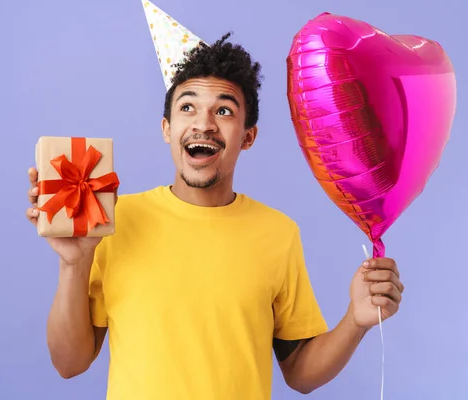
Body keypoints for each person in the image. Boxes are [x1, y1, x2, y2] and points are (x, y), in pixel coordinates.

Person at [25, 33, 404, 400]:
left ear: (248, 136)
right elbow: (69, 363)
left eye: (223, 110)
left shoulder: (277, 233)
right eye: (187, 107)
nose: (203, 123)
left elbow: (301, 375)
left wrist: (355, 321)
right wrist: (74, 264)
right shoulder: (111, 220)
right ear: (167, 129)